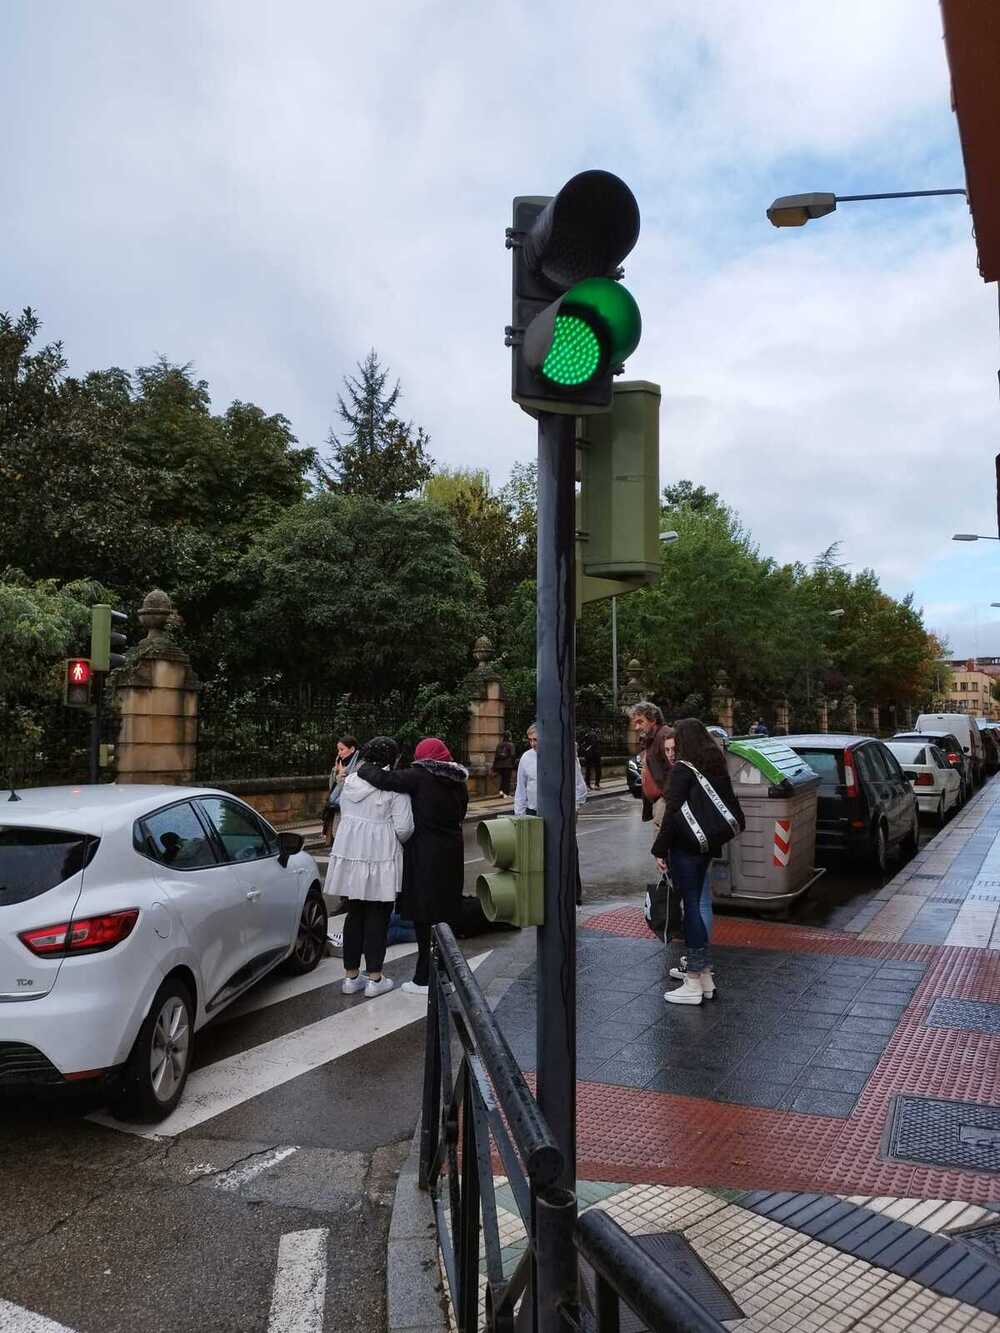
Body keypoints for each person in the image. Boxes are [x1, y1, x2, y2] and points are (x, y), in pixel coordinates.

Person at [357, 736, 469, 995]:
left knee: (424, 919)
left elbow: (385, 780)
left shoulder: (419, 777)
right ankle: (445, 974)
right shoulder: (457, 781)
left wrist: (362, 768)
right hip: (451, 854)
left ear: (423, 758)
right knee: (444, 918)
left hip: (424, 856)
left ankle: (423, 979)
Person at [651, 717, 745, 1006]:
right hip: (704, 848)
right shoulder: (714, 766)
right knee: (696, 905)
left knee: (690, 909)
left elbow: (671, 813)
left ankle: (692, 979)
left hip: (684, 849)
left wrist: (659, 850)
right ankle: (704, 976)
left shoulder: (682, 769)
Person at [324, 736, 413, 999]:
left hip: (353, 853)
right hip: (381, 855)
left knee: (355, 914)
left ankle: (351, 977)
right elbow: (405, 828)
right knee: (378, 916)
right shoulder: (395, 789)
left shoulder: (350, 781)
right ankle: (375, 978)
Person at [514, 722, 588, 904]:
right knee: (536, 857)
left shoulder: (565, 756)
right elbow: (520, 789)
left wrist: (573, 811)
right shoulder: (526, 758)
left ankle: (572, 894)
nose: (533, 743)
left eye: (536, 739)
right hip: (533, 812)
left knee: (567, 852)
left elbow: (580, 788)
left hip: (560, 814)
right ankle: (540, 896)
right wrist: (519, 815)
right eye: (530, 740)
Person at [629, 702, 672, 827]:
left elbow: (675, 769)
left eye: (640, 722)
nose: (637, 727)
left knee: (661, 844)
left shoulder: (665, 736)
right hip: (658, 802)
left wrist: (667, 798)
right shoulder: (650, 738)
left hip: (665, 802)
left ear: (653, 719)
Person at [323, 735, 360, 848]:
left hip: (351, 814)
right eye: (338, 750)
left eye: (342, 749)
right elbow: (331, 791)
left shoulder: (358, 766)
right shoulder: (339, 766)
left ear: (352, 749)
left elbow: (352, 791)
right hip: (337, 812)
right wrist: (336, 773)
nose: (339, 753)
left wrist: (342, 779)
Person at [492, 732, 516, 799]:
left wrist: (494, 765)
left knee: (502, 779)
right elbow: (513, 755)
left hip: (499, 765)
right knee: (507, 780)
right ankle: (506, 793)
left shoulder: (499, 744)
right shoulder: (511, 745)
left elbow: (496, 755)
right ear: (509, 737)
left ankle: (501, 792)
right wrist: (513, 763)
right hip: (507, 765)